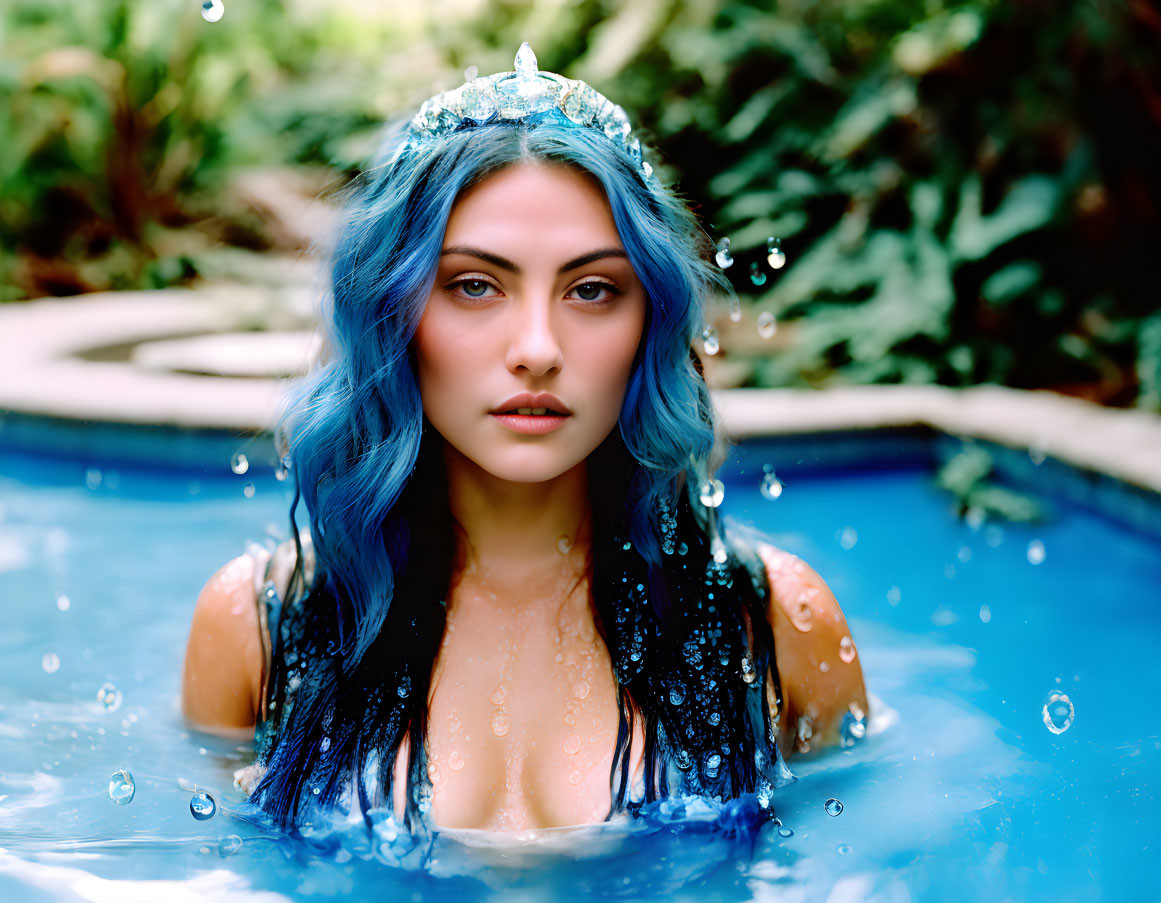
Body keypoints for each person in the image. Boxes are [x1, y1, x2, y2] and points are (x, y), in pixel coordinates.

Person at [181, 44, 868, 835]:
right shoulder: (257, 626)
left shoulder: (777, 620)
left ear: (650, 321)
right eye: (475, 285)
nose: (537, 346)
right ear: (392, 312)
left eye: (592, 289)